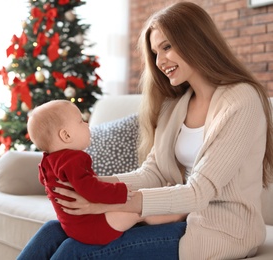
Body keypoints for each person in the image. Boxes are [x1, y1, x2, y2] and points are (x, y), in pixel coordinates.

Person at [18, 1, 273, 259]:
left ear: (196, 40)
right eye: (155, 53)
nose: (160, 61)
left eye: (167, 47)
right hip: (178, 218)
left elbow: (198, 192)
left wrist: (106, 200)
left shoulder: (241, 100)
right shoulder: (176, 105)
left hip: (222, 229)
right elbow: (154, 172)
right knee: (52, 231)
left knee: (74, 251)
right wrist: (87, 186)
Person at [26, 100, 182, 245]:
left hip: (75, 226)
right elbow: (91, 190)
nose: (86, 124)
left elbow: (48, 182)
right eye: (81, 121)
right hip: (94, 227)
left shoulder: (48, 161)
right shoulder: (73, 160)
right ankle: (176, 216)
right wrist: (121, 191)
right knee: (138, 212)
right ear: (66, 135)